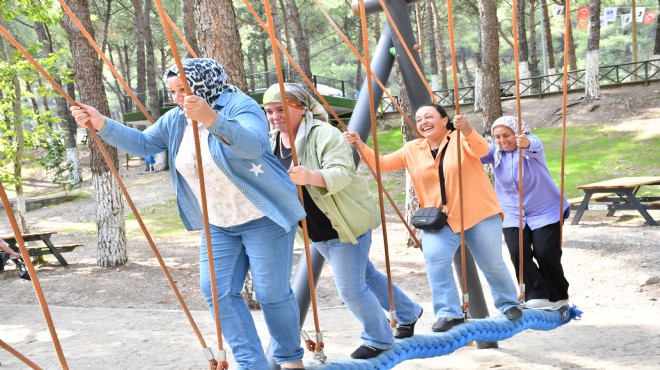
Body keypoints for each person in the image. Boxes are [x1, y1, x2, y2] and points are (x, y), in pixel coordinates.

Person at [70, 58, 307, 370]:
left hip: (263, 216)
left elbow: (253, 145)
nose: (178, 97)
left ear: (204, 83)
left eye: (183, 89)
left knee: (271, 293)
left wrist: (211, 118)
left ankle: (290, 359)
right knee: (217, 293)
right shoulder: (176, 120)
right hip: (219, 222)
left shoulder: (239, 105)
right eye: (172, 91)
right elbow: (143, 144)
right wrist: (101, 123)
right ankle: (252, 364)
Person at [263, 83, 423, 359]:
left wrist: (310, 176)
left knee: (350, 287)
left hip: (345, 223)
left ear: (301, 107)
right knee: (366, 275)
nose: (274, 116)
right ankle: (408, 311)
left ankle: (379, 338)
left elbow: (341, 171)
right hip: (315, 229)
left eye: (280, 109)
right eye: (269, 111)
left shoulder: (324, 134)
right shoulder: (273, 140)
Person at [344, 104, 522, 333]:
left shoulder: (460, 138)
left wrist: (467, 129)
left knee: (492, 263)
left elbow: (482, 150)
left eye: (429, 116)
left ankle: (508, 304)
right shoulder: (412, 149)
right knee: (436, 262)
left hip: (479, 213)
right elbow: (382, 164)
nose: (423, 122)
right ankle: (449, 313)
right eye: (419, 119)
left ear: (444, 120)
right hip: (440, 219)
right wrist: (359, 144)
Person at [481, 116, 570, 310]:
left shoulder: (531, 146)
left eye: (506, 135)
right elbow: (476, 155)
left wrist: (525, 142)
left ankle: (558, 294)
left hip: (545, 209)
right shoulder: (495, 151)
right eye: (497, 136)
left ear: (518, 133)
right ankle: (536, 293)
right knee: (517, 251)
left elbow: (534, 144)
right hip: (512, 211)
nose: (502, 140)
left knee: (545, 251)